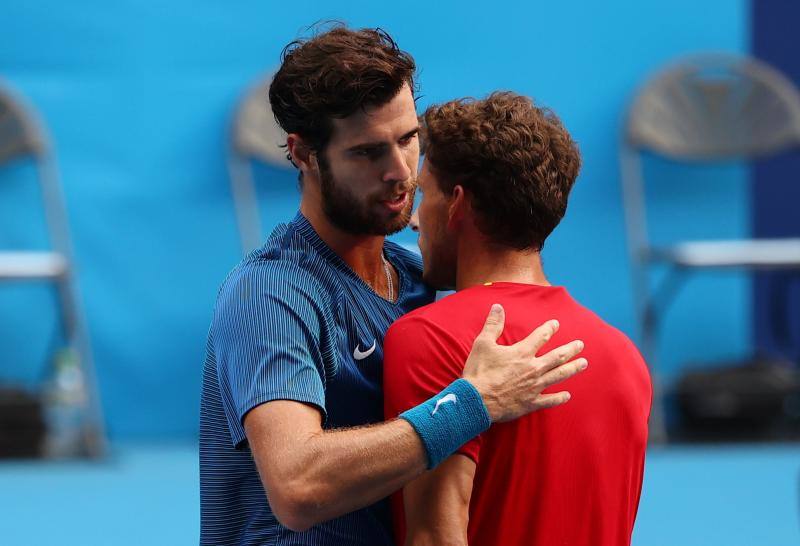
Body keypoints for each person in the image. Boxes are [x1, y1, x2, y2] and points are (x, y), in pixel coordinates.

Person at [199, 26, 587, 545]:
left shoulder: (416, 281)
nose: (401, 171)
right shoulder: (269, 293)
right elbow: (298, 487)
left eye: (408, 139)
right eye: (367, 153)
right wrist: (473, 403)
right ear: (303, 154)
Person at [384, 92, 652, 546]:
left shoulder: (429, 337)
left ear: (457, 205)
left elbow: (434, 537)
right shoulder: (625, 356)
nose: (413, 219)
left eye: (425, 192)